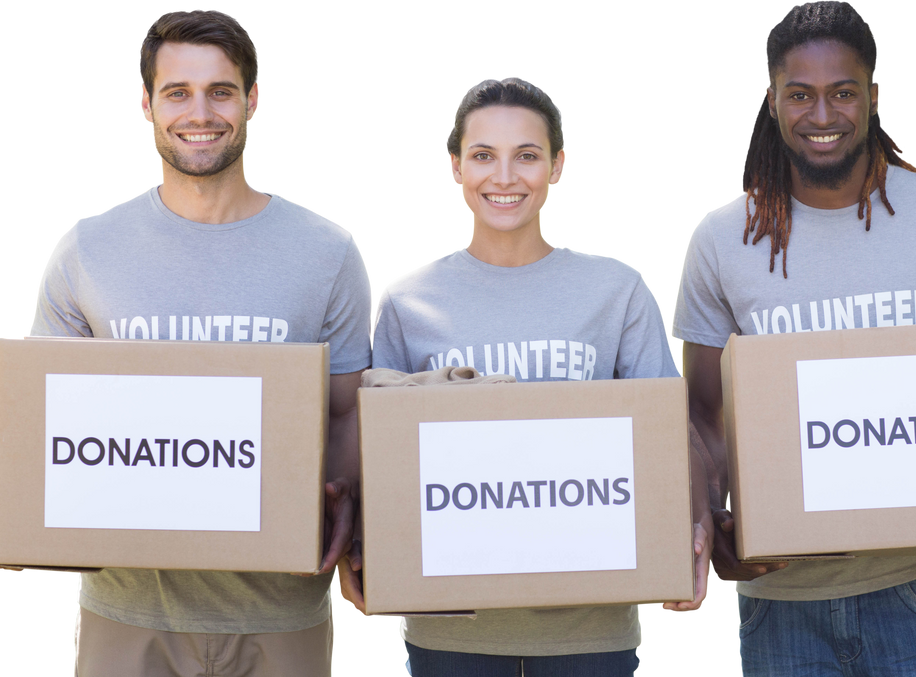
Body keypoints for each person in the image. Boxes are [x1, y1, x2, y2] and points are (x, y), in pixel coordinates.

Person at [670, 1, 916, 675]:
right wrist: (712, 524)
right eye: (800, 95)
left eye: (843, 93)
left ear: (875, 97)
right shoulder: (721, 238)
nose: (822, 116)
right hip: (780, 598)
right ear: (771, 101)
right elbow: (701, 415)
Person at [28, 8, 370, 676]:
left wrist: (355, 521)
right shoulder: (87, 248)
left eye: (221, 90)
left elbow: (350, 409)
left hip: (282, 611)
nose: (200, 112)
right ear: (146, 103)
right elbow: (42, 418)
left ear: (254, 100)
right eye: (177, 92)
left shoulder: (327, 250)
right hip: (127, 610)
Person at [354, 75, 713, 676]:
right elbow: (379, 460)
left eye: (526, 156)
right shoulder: (406, 300)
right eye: (483, 156)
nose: (504, 177)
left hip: (589, 629)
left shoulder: (616, 289)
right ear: (454, 169)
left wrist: (690, 542)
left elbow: (668, 437)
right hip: (452, 632)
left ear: (558, 166)